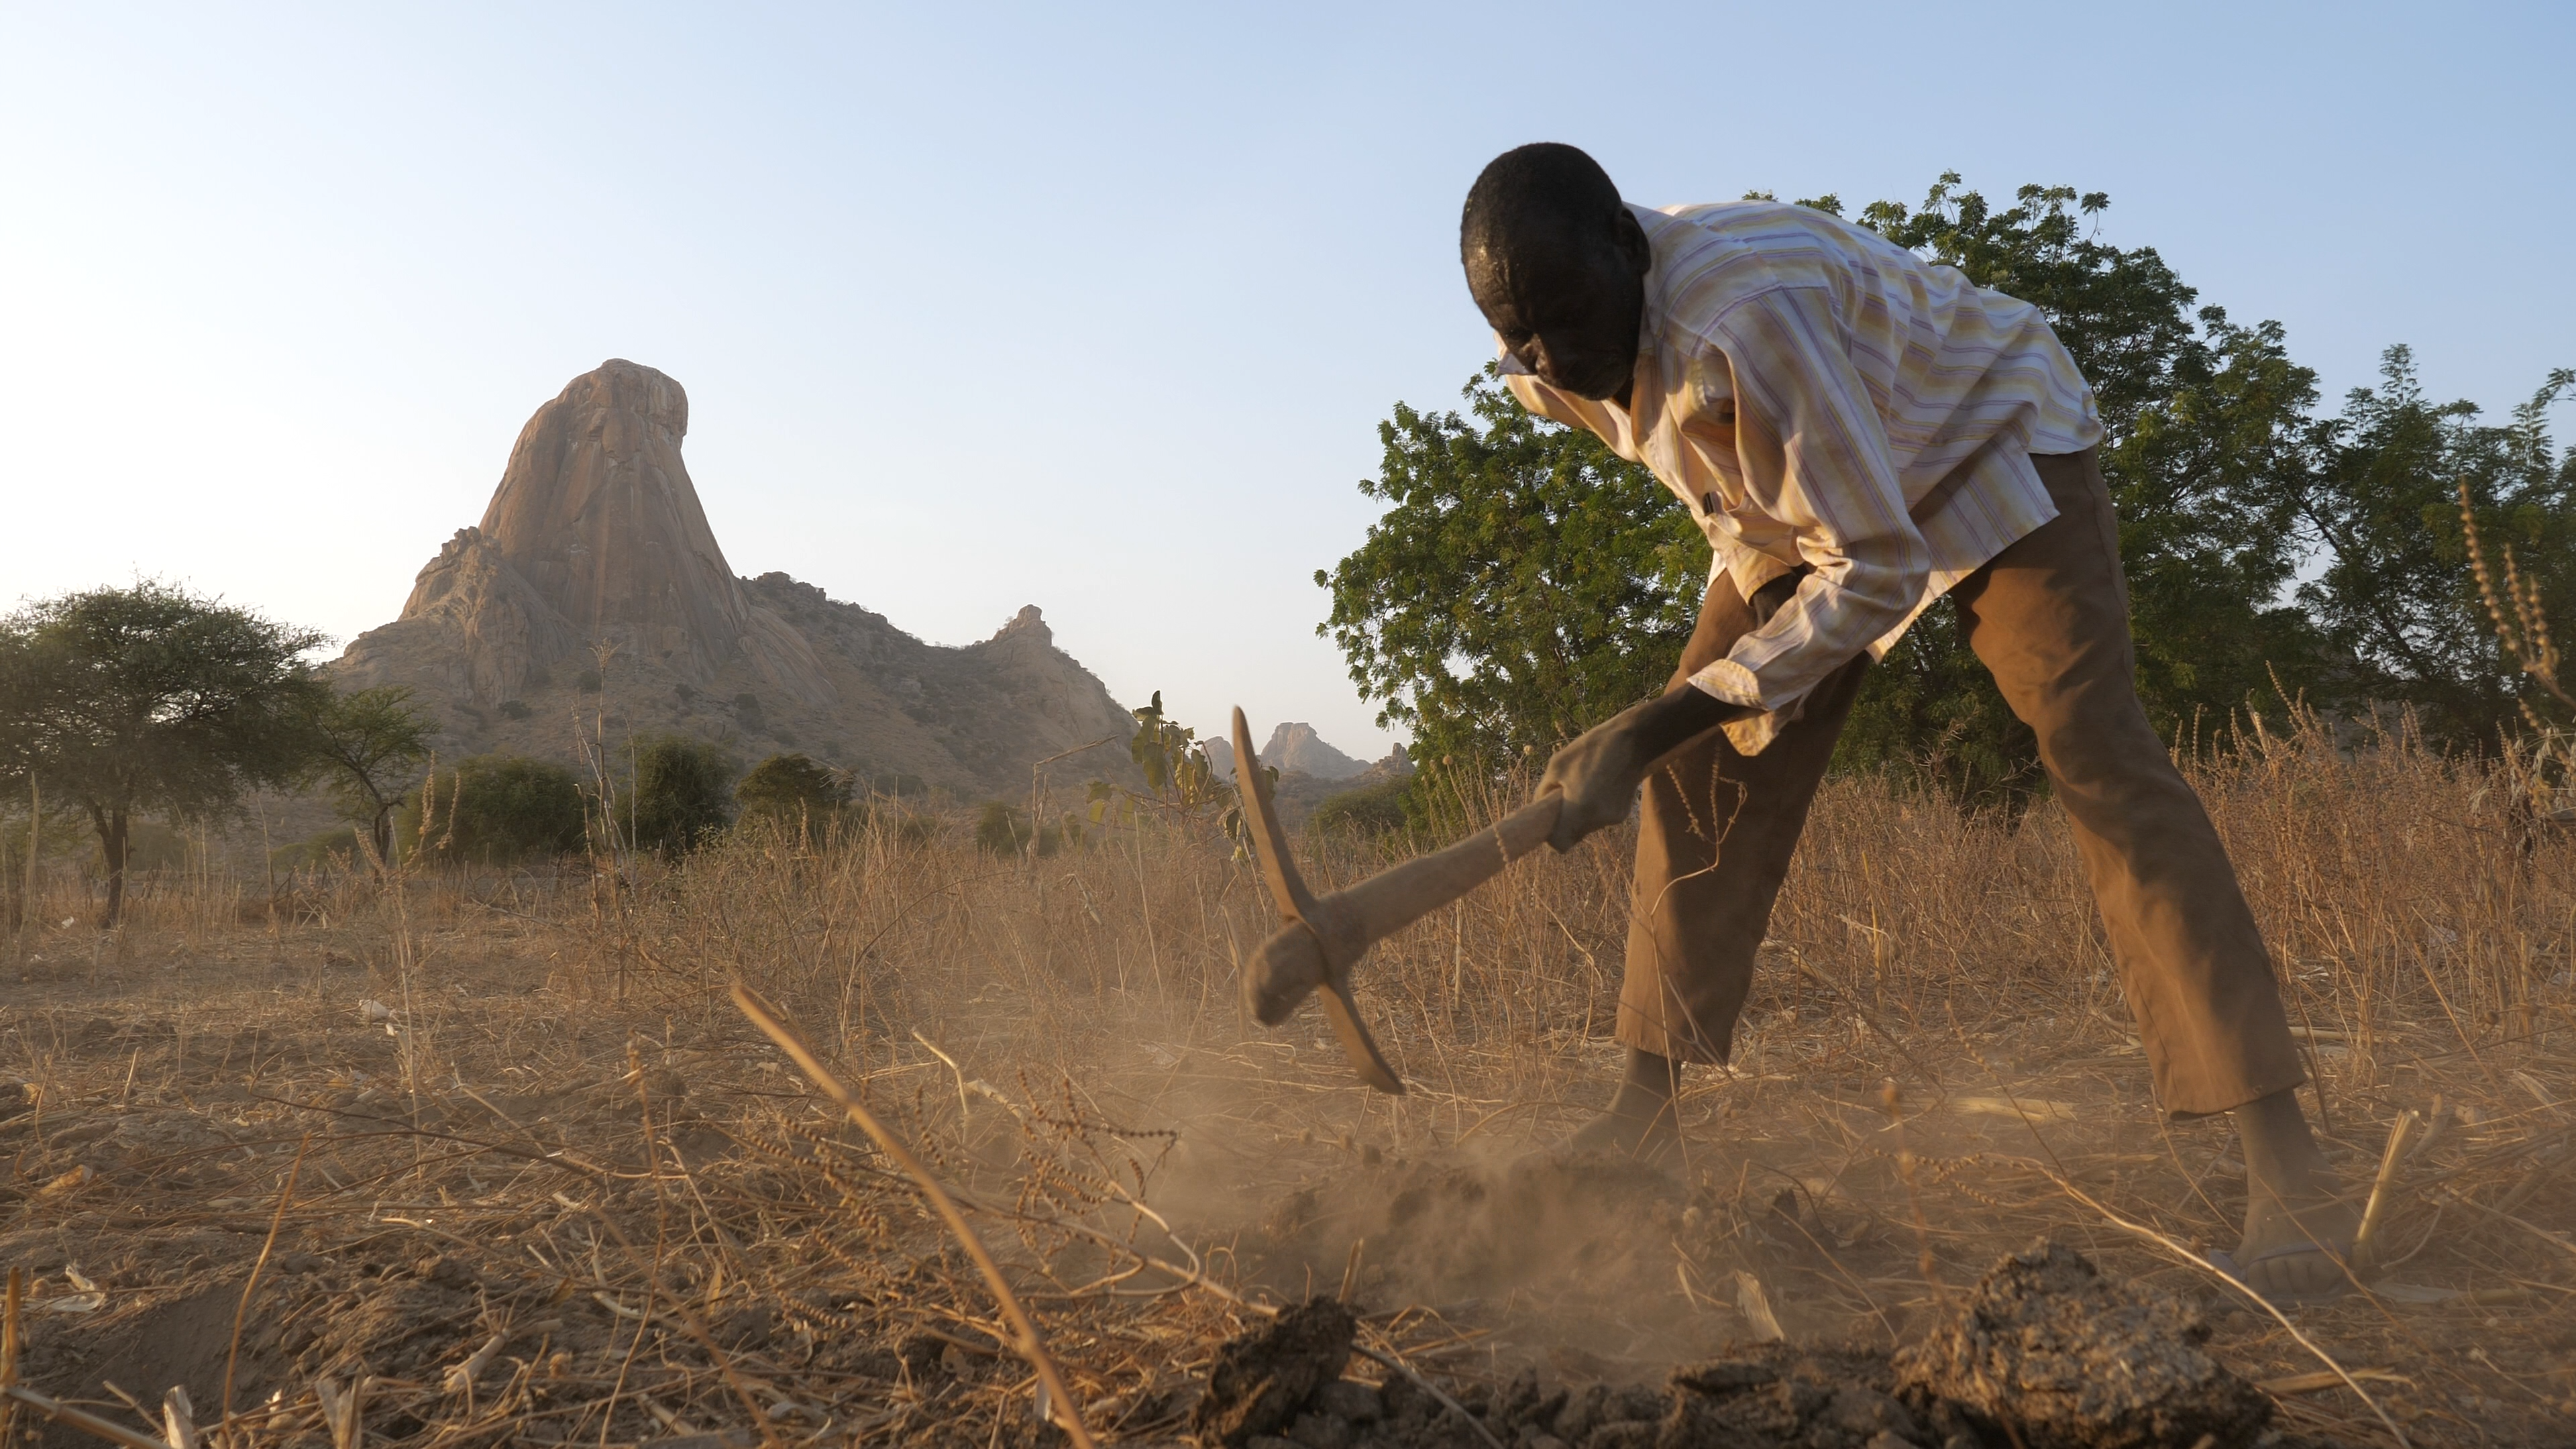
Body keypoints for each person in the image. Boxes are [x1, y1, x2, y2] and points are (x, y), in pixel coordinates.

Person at [1463, 142, 2356, 1303]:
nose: (1546, 360)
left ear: (1627, 246)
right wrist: (1689, 712)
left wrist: (1652, 719)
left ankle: (2290, 1170)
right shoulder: (1547, 351)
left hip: (1987, 437)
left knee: (2098, 758)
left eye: (1565, 322)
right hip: (1815, 505)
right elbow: (1736, 471)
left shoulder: (1747, 312)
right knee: (1698, 766)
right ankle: (1643, 1119)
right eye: (1516, 335)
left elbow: (1877, 569)